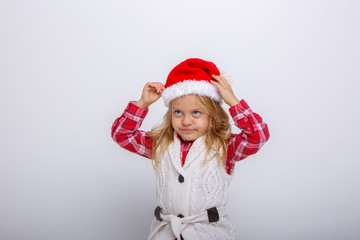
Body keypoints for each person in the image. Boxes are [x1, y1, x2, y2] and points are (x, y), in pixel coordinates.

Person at [111, 58, 270, 240]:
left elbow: (258, 136)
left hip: (208, 234)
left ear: (213, 115)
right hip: (166, 232)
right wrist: (143, 103)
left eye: (196, 113)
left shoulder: (224, 147)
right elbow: (121, 135)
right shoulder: (162, 144)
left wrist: (232, 100)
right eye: (178, 112)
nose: (186, 121)